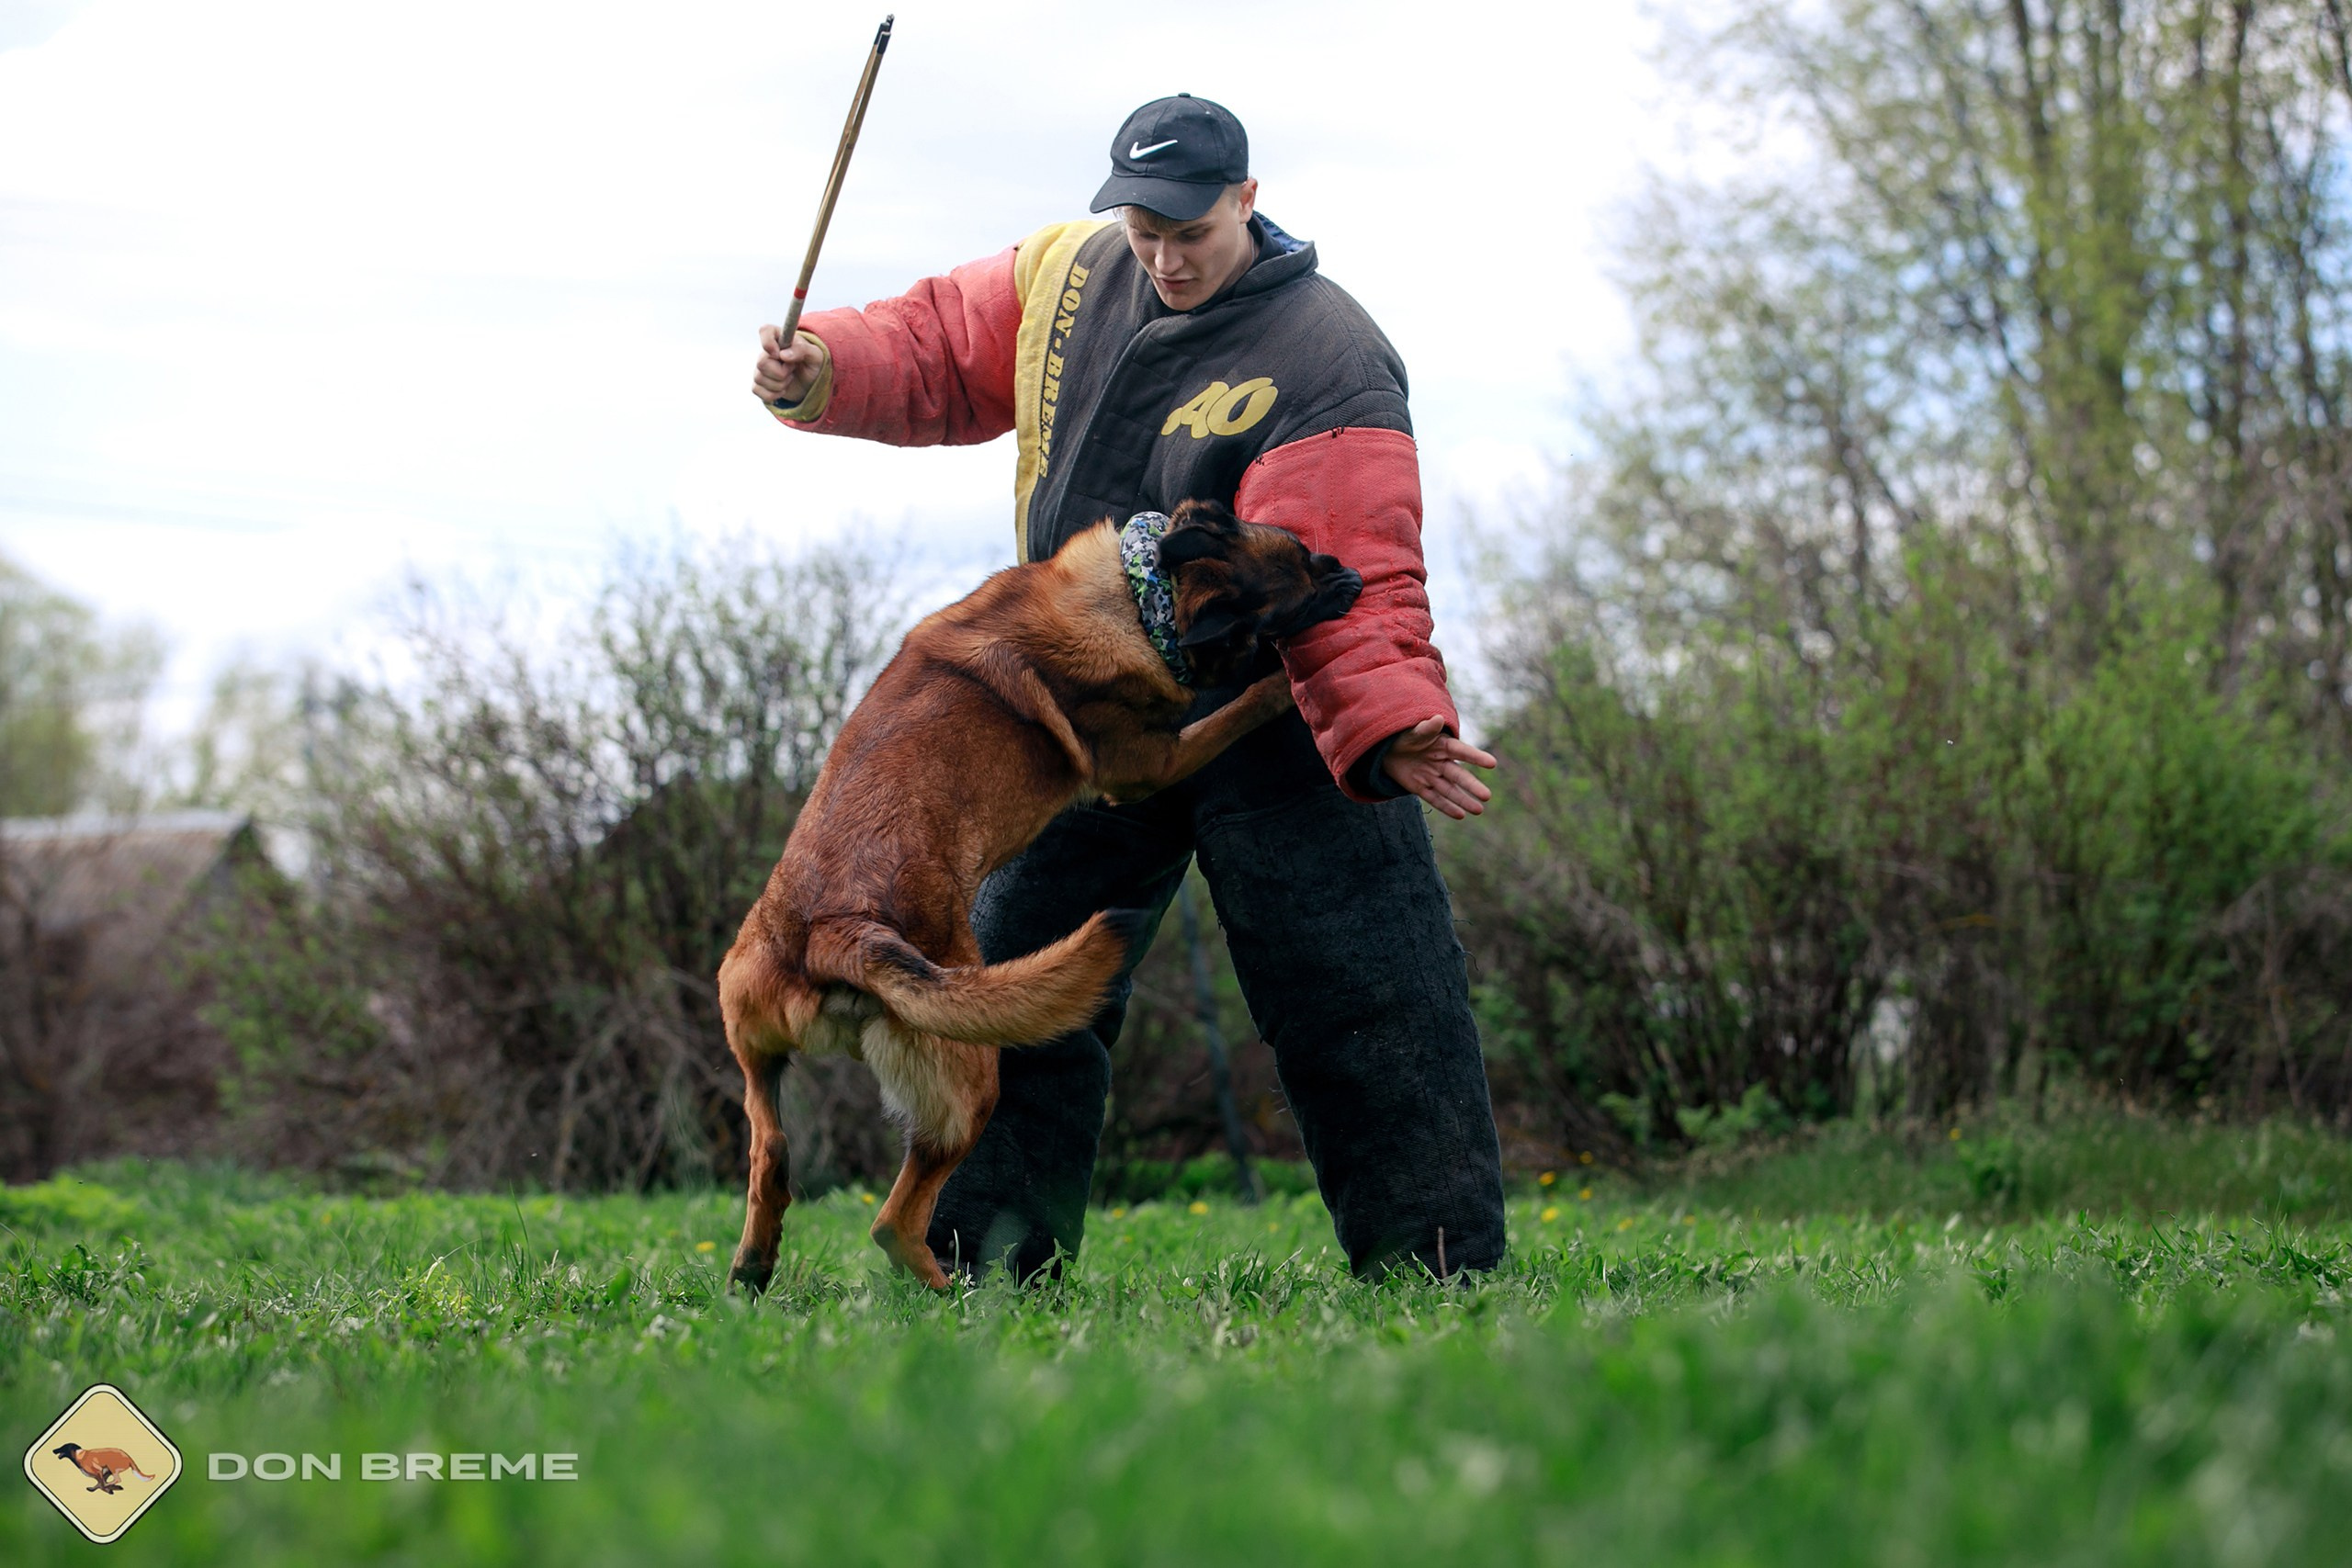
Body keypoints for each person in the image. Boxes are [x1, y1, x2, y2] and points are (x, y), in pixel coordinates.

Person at [750, 93, 1506, 1280]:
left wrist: (1390, 722)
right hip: (1078, 713)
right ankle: (989, 1261)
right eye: (1144, 228)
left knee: (1362, 988)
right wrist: (822, 369)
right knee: (1013, 981)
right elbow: (943, 343)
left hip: (1275, 714)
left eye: (1189, 232)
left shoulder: (1325, 350)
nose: (1163, 255)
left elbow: (1355, 561)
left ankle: (1436, 1261)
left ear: (1247, 202)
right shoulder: (1069, 274)